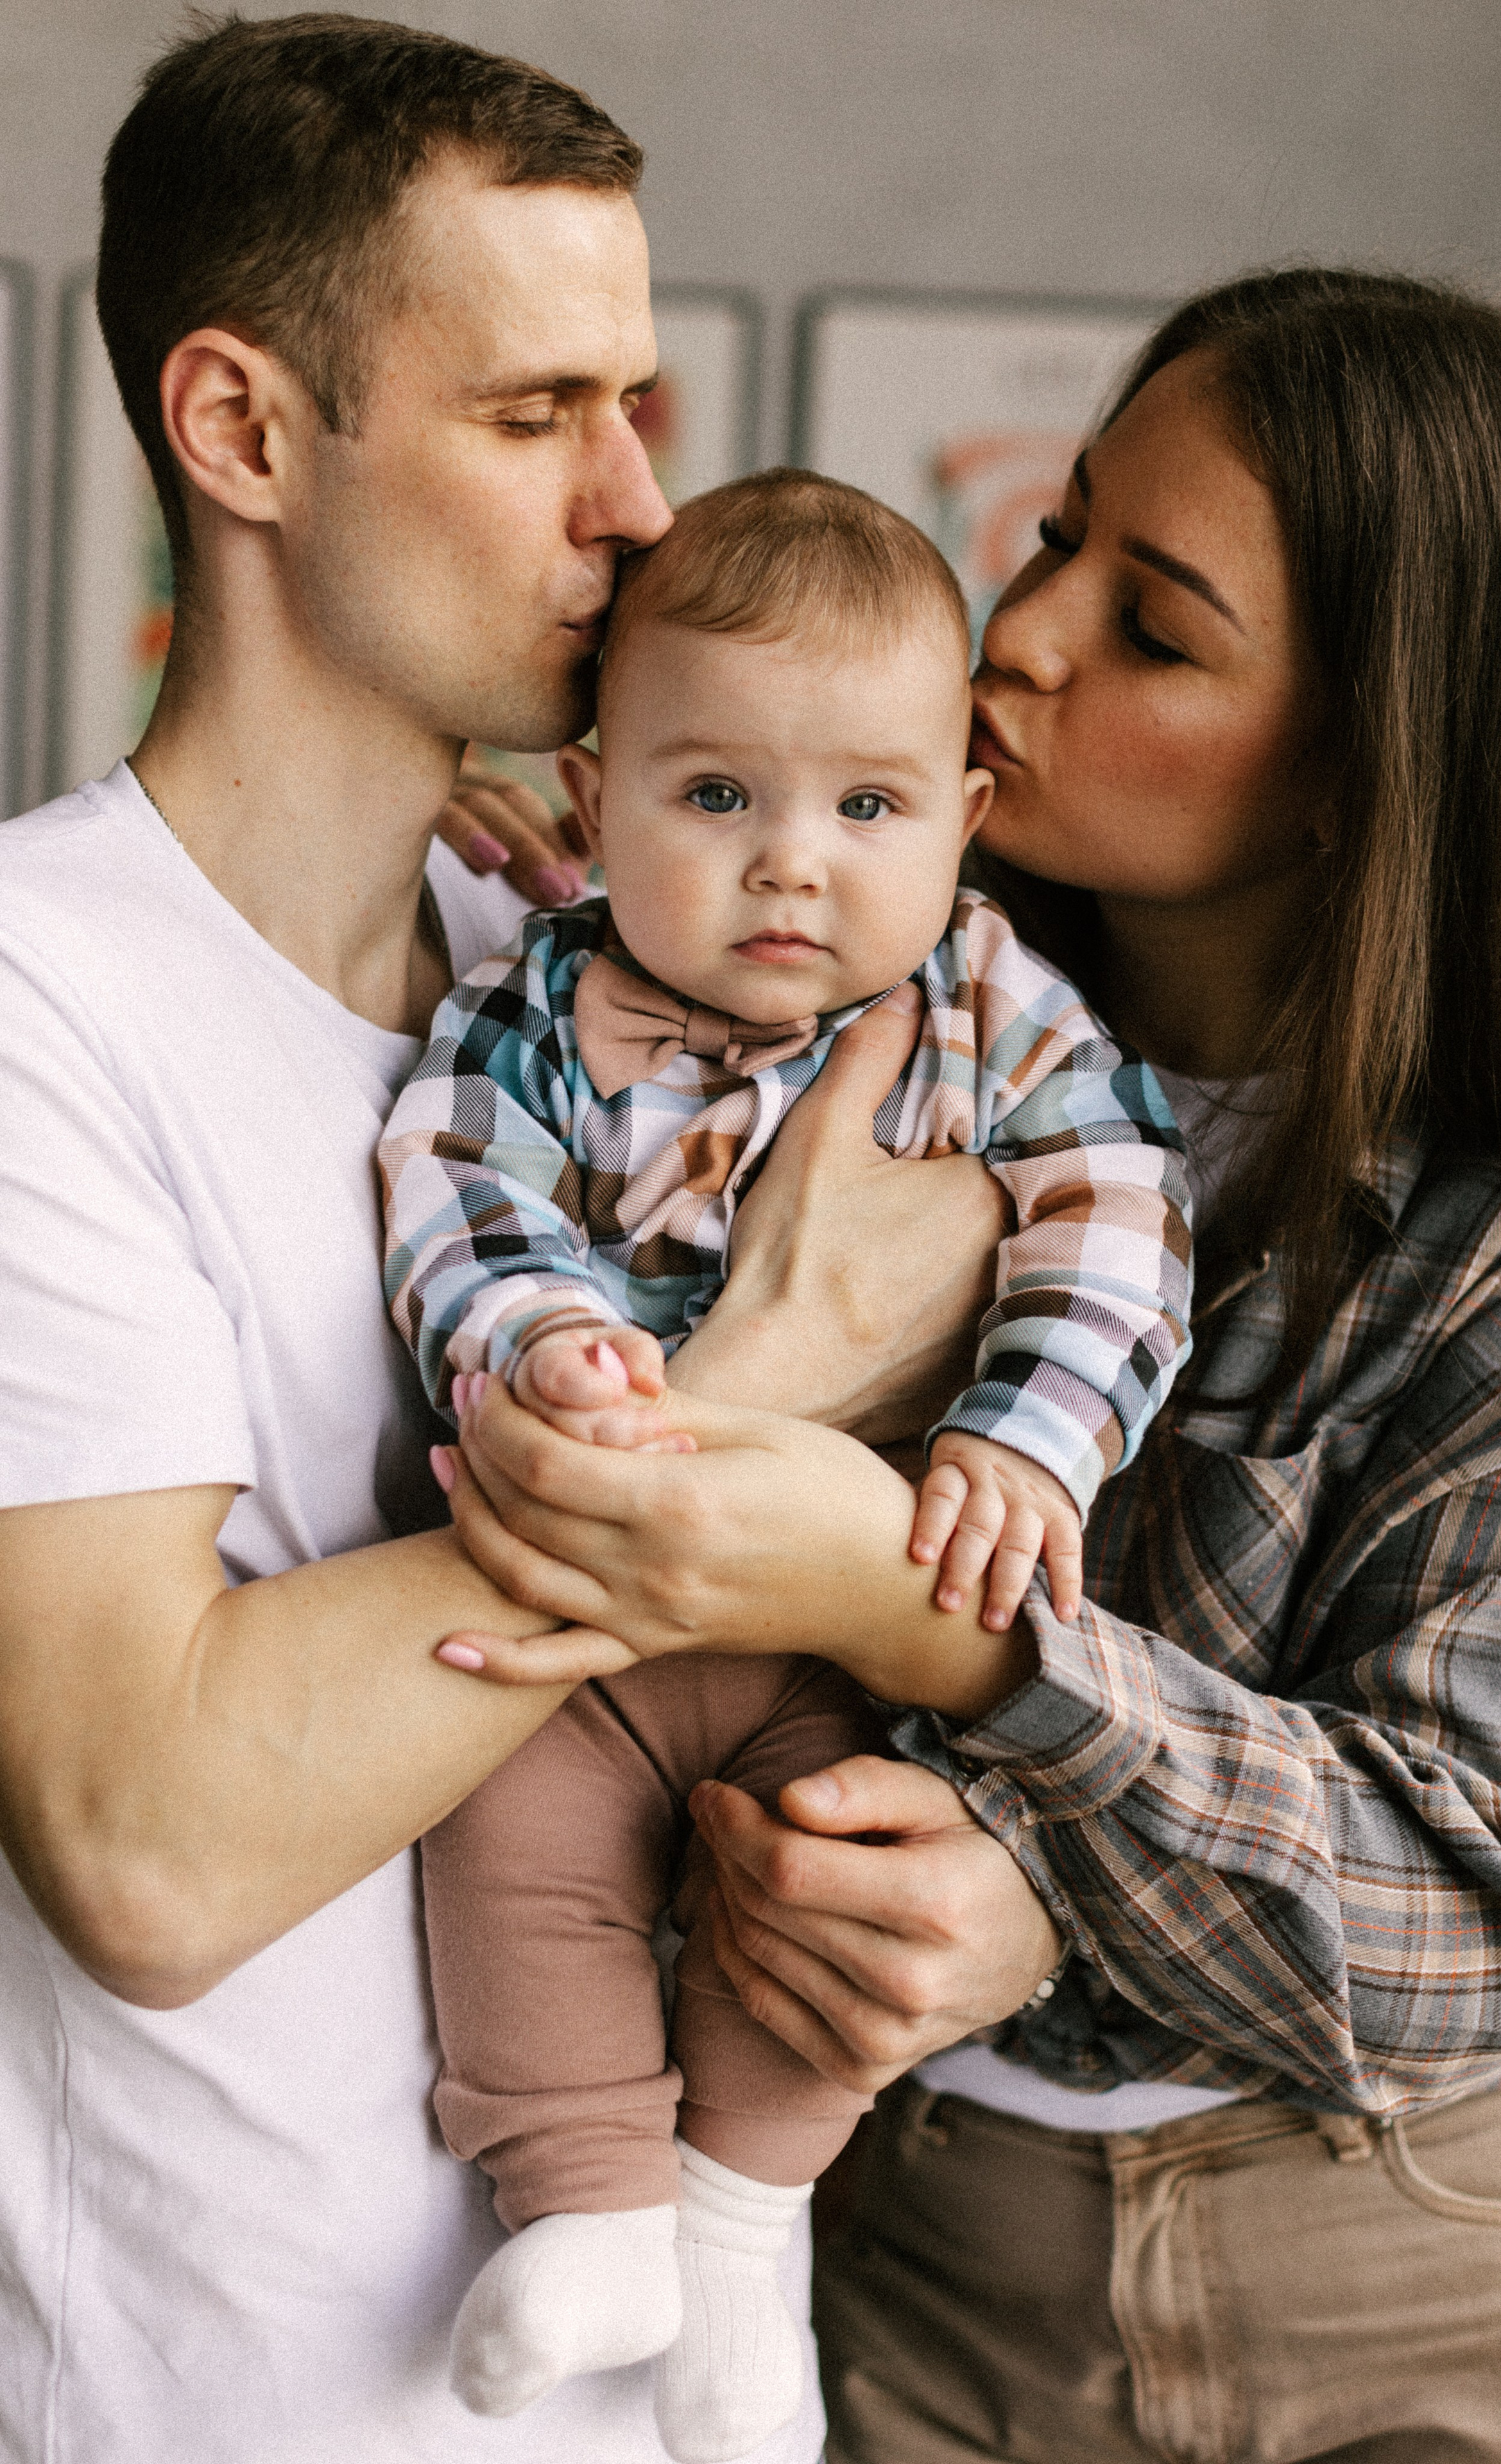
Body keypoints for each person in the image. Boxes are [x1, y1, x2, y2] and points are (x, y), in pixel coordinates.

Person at [431, 268, 1501, 2463]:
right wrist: (576, 886)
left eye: (1155, 624)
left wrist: (1015, 1801)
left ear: (1378, 759)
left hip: (1428, 2252)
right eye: (1061, 529)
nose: (1025, 634)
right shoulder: (831, 1009)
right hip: (922, 2227)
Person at [0, 17, 1034, 2461]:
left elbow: (925, 1611)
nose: (646, 505)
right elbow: (147, 1844)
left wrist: (997, 1891)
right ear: (243, 432)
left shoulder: (606, 968)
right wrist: (751, 1386)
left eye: (644, 403)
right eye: (535, 413)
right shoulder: (36, 1004)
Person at [375, 468, 1191, 2460]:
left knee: (824, 1889)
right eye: (715, 797)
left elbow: (1123, 1219)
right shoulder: (538, 997)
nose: (789, 870)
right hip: (596, 1616)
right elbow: (454, 1185)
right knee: (505, 1847)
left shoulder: (994, 1010)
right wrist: (540, 1336)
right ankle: (587, 2203)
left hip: (858, 1619)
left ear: (963, 825)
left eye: (867, 808)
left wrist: (1026, 1438)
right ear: (592, 797)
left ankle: (744, 2239)